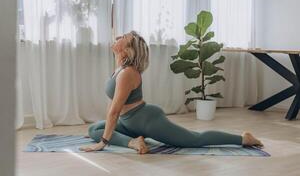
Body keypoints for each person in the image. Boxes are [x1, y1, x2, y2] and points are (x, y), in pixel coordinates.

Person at [79, 31, 263, 154]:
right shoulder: (120, 68)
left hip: (146, 120)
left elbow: (114, 111)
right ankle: (134, 142)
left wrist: (103, 143)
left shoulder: (128, 73)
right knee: (94, 129)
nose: (118, 36)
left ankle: (242, 138)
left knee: (192, 140)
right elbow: (112, 107)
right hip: (128, 122)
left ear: (127, 50)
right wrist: (104, 135)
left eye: (123, 37)